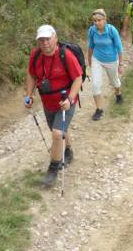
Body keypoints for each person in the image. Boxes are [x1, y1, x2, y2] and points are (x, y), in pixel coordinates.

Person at [25, 25, 82, 186]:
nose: (45, 43)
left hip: (66, 102)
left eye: (47, 39)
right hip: (48, 102)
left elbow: (77, 78)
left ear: (55, 38)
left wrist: (70, 99)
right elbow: (31, 74)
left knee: (57, 133)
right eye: (41, 40)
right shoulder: (36, 55)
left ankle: (53, 170)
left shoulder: (66, 55)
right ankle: (68, 151)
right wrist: (29, 94)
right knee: (58, 130)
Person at [87, 9, 124, 121]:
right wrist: (89, 60)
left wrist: (120, 64)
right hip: (97, 58)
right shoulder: (92, 30)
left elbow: (119, 48)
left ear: (105, 20)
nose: (97, 23)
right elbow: (91, 46)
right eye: (94, 21)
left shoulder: (111, 30)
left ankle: (118, 93)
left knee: (114, 81)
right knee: (95, 85)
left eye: (99, 20)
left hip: (111, 59)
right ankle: (99, 109)